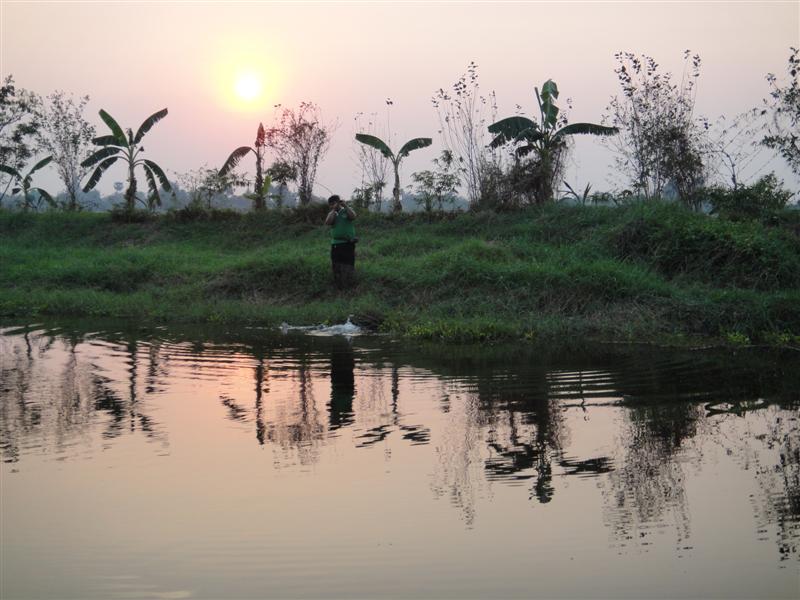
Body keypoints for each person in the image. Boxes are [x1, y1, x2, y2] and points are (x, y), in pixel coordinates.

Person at [325, 194, 357, 289]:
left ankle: (350, 285)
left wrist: (346, 206)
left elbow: (353, 216)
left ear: (338, 202)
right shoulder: (332, 213)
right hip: (336, 245)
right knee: (336, 265)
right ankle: (338, 286)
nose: (332, 206)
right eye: (330, 205)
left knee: (349, 264)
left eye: (334, 203)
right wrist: (334, 210)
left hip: (348, 244)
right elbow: (328, 222)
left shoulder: (346, 211)